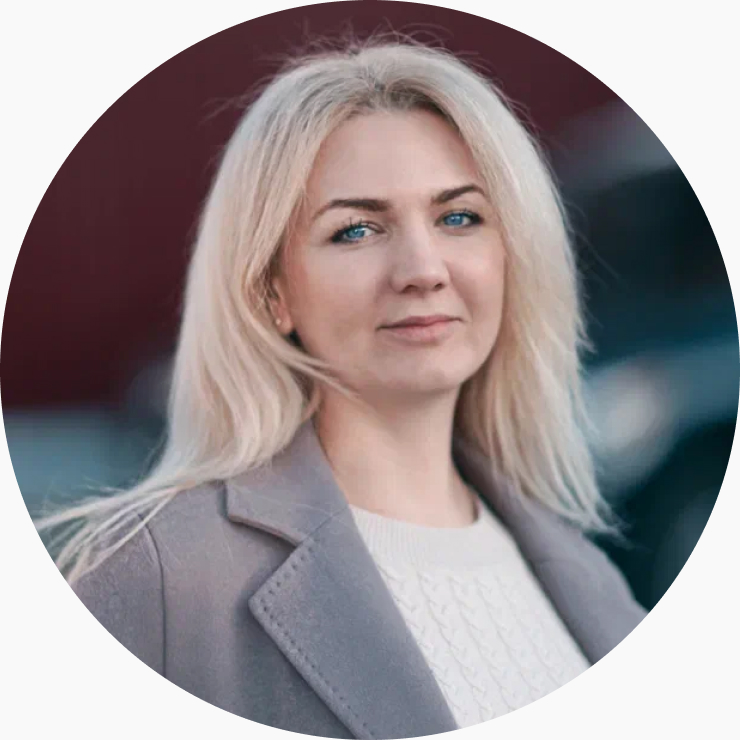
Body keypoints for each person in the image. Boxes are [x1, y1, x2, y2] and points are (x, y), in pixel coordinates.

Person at [36, 38, 647, 738]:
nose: (423, 269)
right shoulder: (165, 579)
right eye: (355, 230)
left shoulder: (590, 580)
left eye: (459, 218)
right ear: (272, 293)